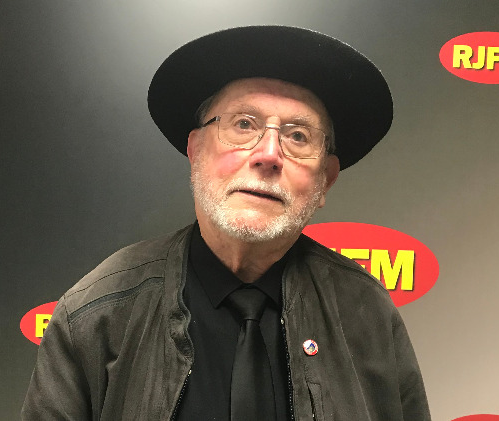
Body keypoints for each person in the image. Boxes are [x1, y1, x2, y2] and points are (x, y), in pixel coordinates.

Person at [22, 26, 430, 421]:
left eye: (298, 137)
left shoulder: (367, 315)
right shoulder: (96, 314)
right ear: (196, 150)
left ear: (325, 180)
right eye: (244, 125)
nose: (269, 155)